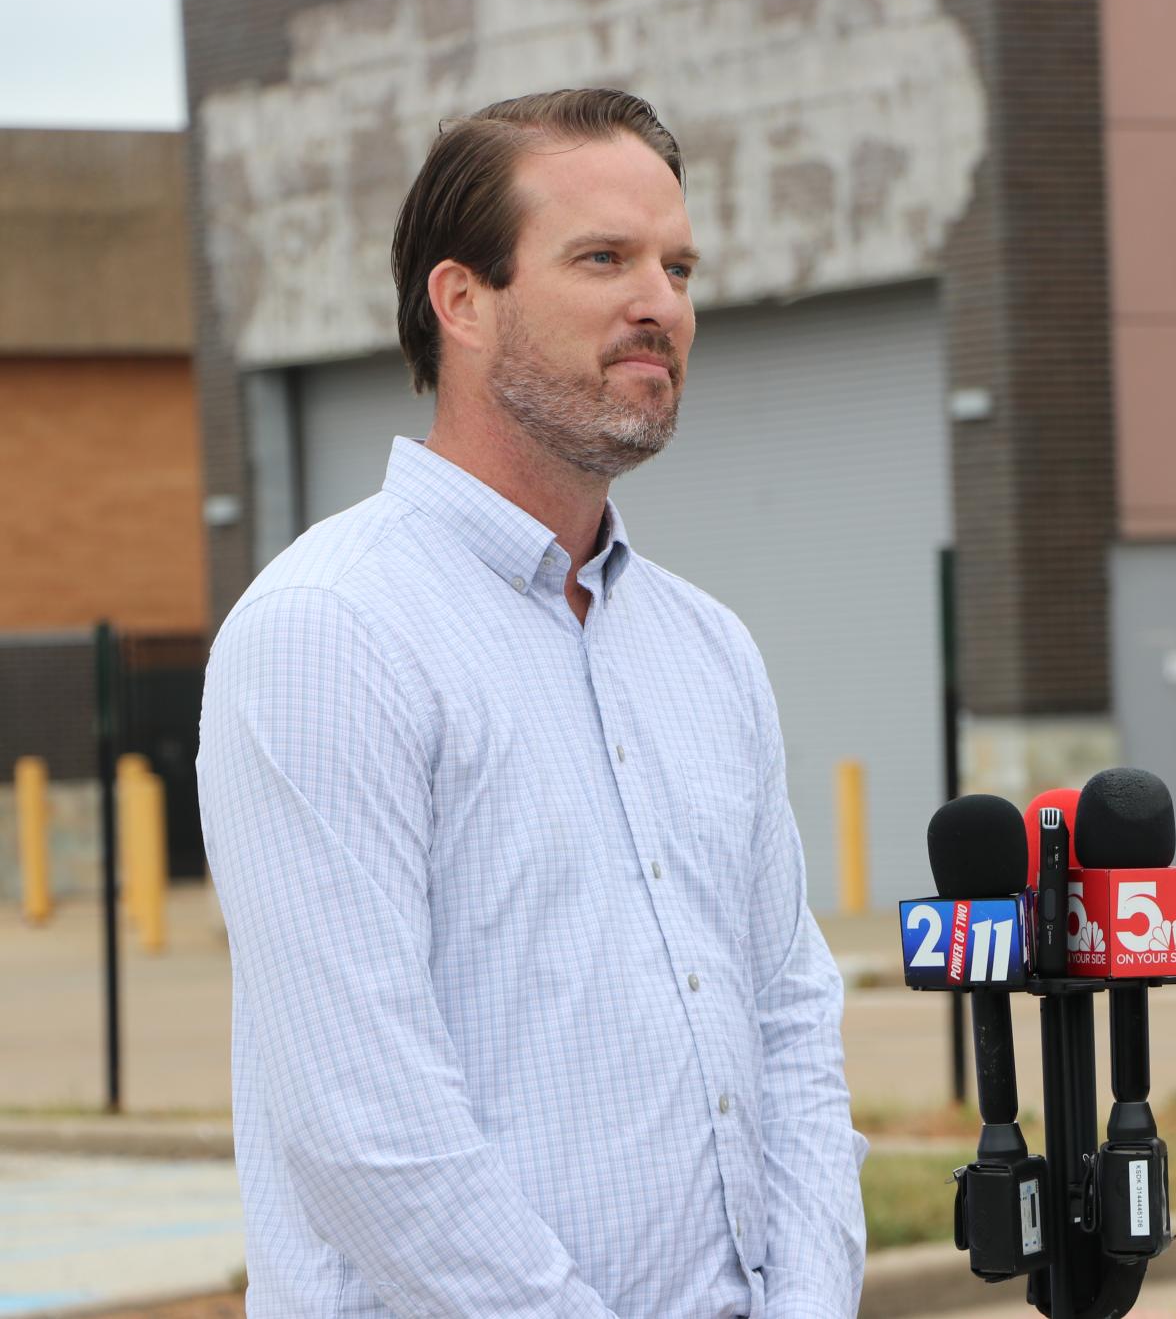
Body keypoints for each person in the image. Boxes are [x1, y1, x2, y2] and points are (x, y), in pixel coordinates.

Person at [197, 88, 867, 1318]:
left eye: (678, 264)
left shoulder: (707, 649)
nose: (658, 301)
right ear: (462, 300)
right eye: (603, 258)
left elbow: (790, 1026)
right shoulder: (330, 634)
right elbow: (363, 1122)